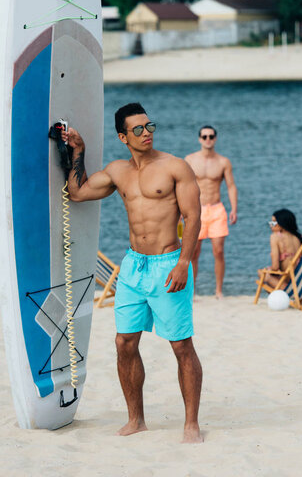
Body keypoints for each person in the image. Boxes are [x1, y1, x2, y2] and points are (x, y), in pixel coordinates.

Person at [63, 102, 203, 443]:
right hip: (133, 266)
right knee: (124, 342)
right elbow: (77, 192)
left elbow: (193, 217)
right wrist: (77, 152)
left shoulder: (175, 167)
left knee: (181, 345)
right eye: (138, 130)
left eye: (149, 126)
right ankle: (136, 420)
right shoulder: (117, 172)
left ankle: (191, 425)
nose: (146, 134)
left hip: (169, 264)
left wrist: (184, 262)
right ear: (123, 136)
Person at [185, 125, 237, 299]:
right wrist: (180, 210)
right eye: (205, 136)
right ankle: (191, 291)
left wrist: (234, 209)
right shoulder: (190, 160)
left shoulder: (223, 162)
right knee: (194, 252)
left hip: (216, 209)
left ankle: (218, 290)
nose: (208, 139)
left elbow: (231, 186)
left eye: (211, 136)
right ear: (199, 139)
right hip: (196, 210)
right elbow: (182, 186)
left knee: (219, 251)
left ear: (215, 138)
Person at [257, 209, 302, 288]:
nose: (271, 225)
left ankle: (284, 292)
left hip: (287, 283)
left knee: (261, 273)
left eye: (274, 222)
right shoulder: (297, 238)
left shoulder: (275, 237)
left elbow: (275, 267)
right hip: (298, 281)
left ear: (282, 224)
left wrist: (268, 270)